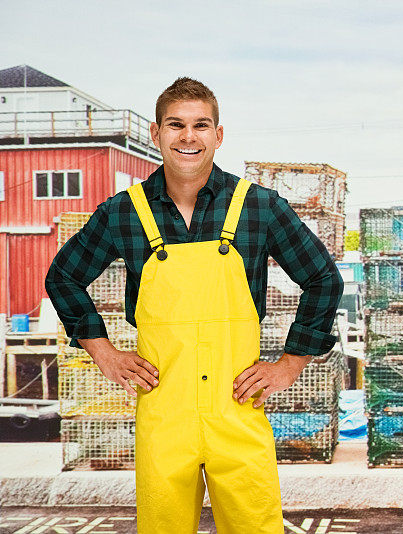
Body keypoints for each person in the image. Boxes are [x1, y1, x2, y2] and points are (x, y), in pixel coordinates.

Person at [45, 77, 344, 533]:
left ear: (218, 135)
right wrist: (102, 351)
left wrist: (290, 363)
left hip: (237, 407)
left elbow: (323, 279)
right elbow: (63, 277)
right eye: (176, 125)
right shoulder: (124, 212)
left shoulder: (259, 207)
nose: (189, 136)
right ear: (156, 132)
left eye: (201, 125)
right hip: (164, 410)